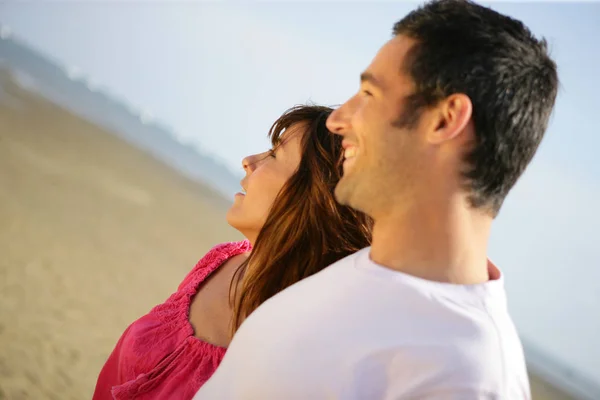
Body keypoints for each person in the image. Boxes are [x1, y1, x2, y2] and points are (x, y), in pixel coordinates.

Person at [194, 1, 559, 399]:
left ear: (444, 120)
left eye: (369, 93)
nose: (337, 120)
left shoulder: (465, 378)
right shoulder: (326, 277)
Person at [92, 105, 372, 399]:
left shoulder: (307, 343)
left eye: (275, 155)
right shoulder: (218, 262)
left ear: (314, 199)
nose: (248, 161)